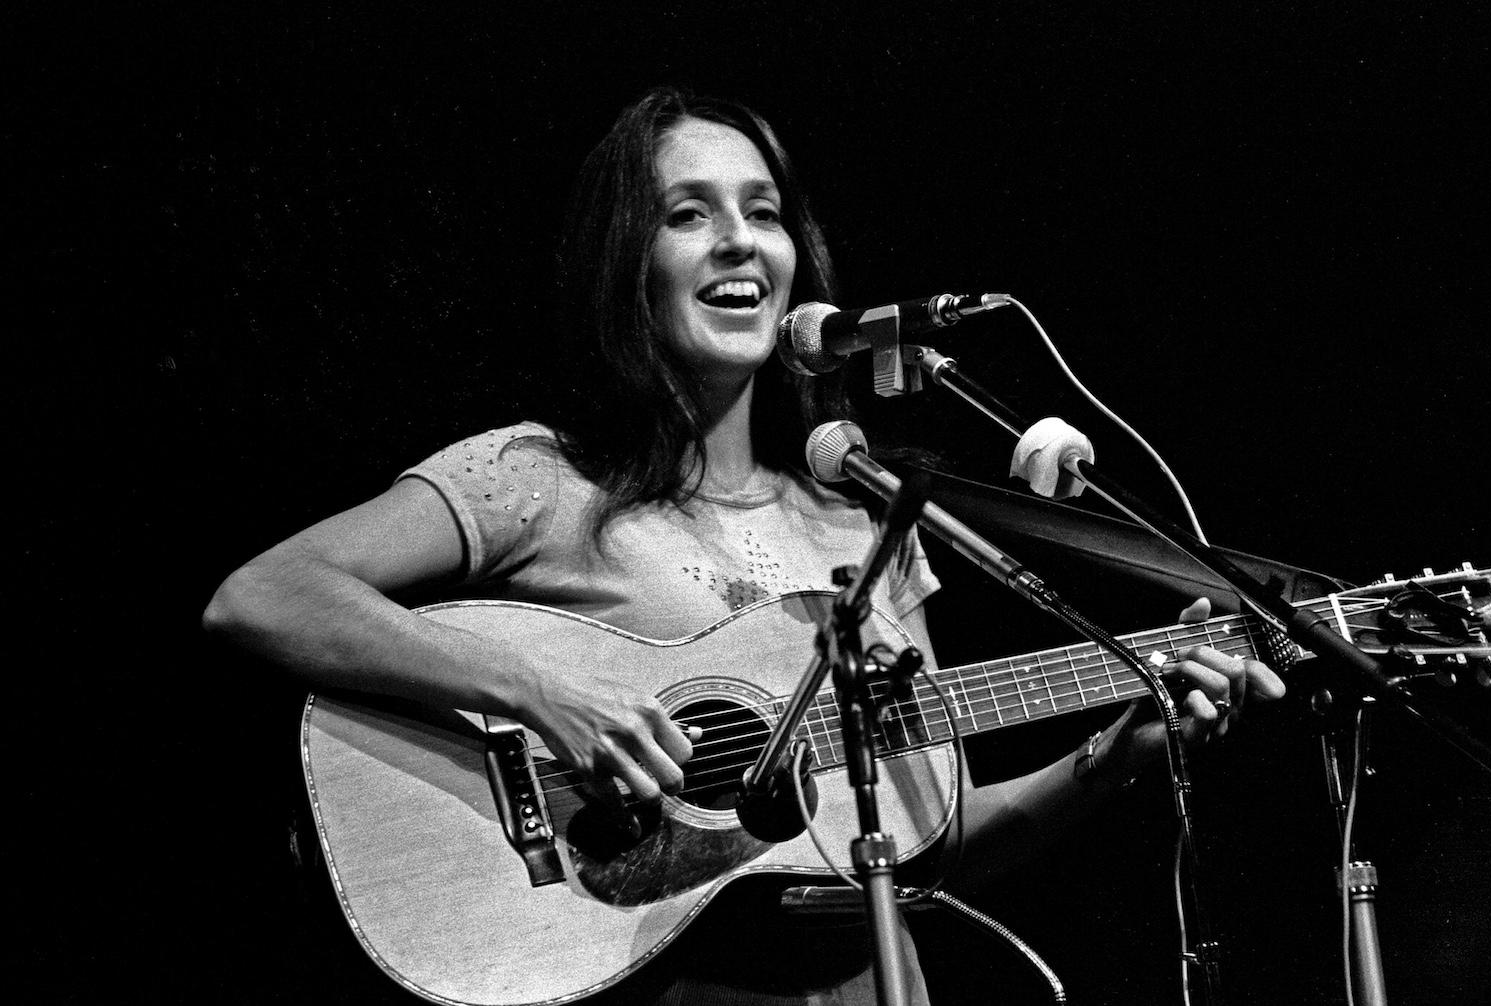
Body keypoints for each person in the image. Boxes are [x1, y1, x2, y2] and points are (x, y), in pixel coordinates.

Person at [203, 87, 1284, 1005]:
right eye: (689, 213)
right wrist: (540, 691)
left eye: (761, 213)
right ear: (627, 261)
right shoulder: (536, 476)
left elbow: (932, 832)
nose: (738, 242)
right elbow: (264, 595)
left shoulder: (862, 517)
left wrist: (1118, 753)